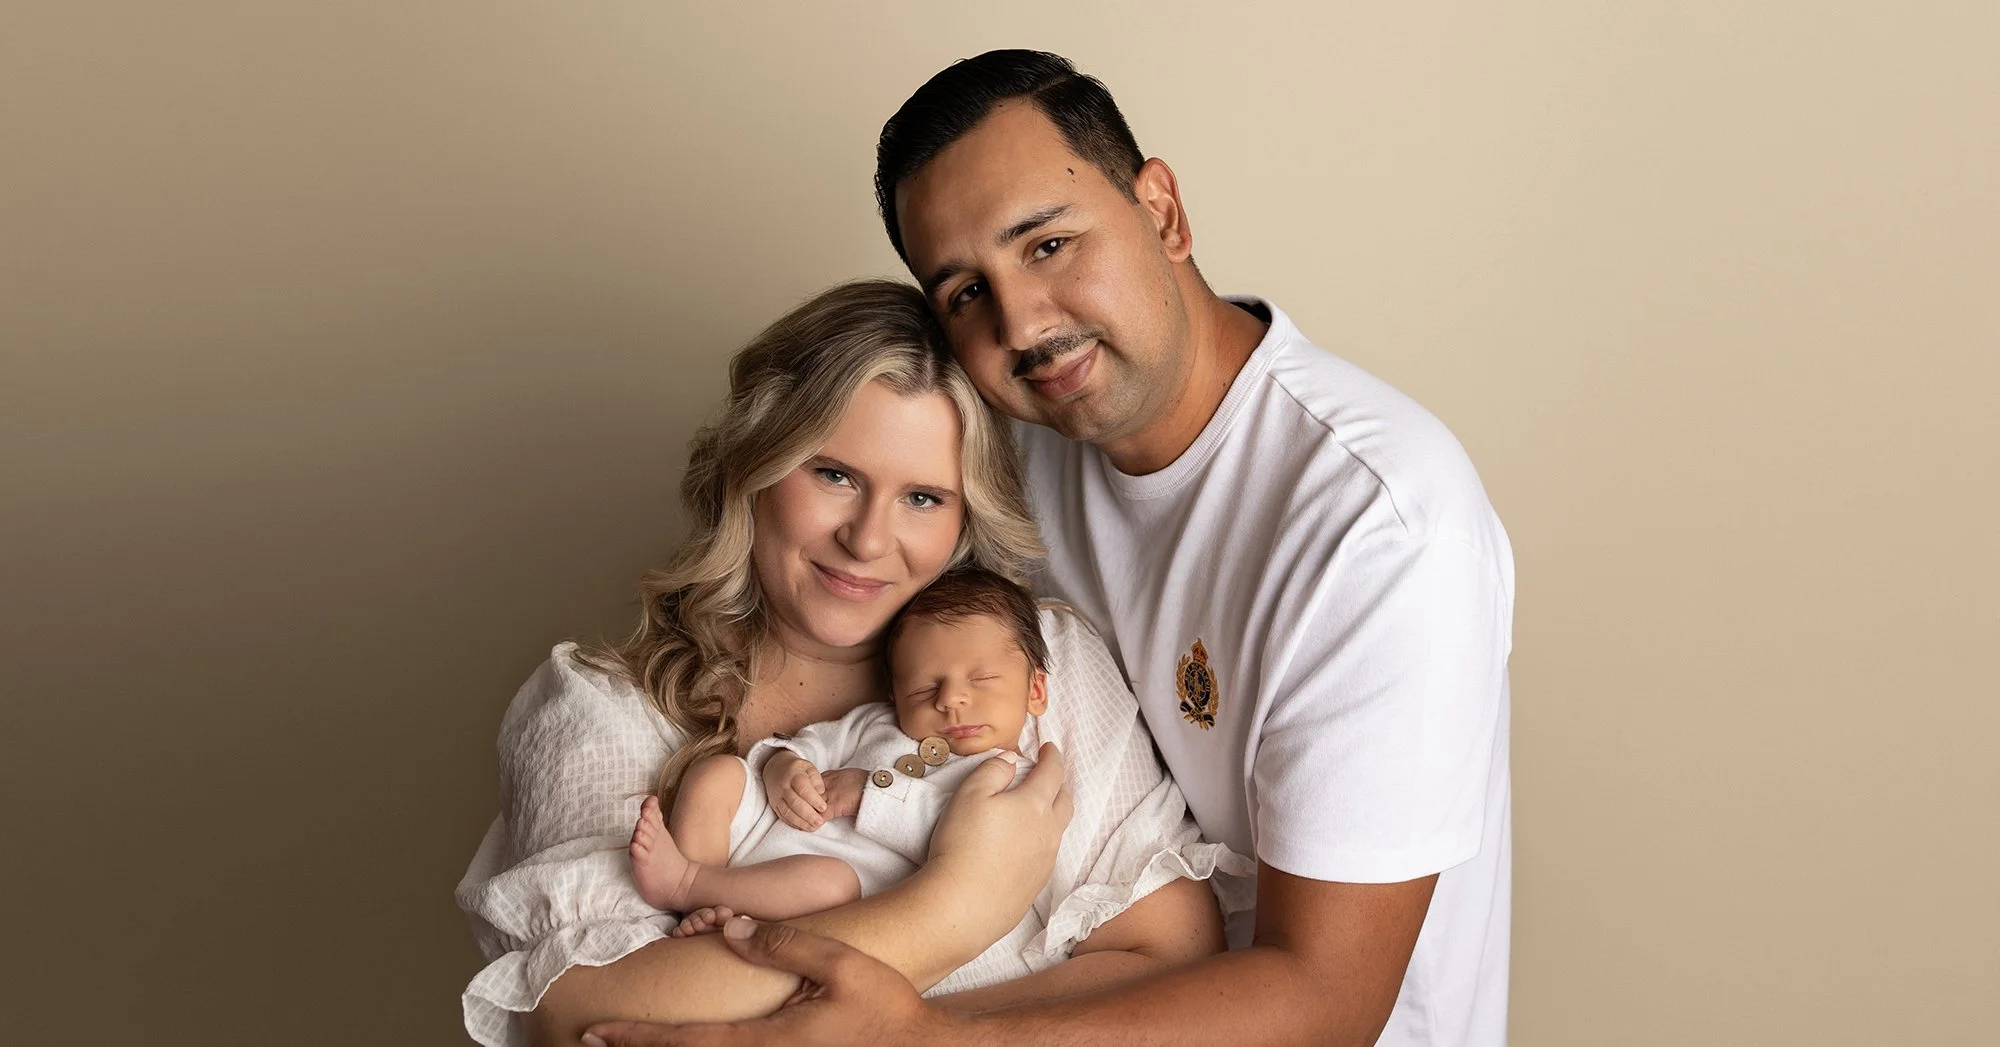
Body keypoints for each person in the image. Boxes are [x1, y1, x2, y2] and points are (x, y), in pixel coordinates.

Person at [583, 49, 1516, 1047]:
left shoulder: (1377, 522)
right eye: (964, 293)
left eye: (1049, 244)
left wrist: (913, 1036)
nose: (1024, 323)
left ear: (1163, 212)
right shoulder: (1005, 452)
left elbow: (1325, 1000)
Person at [455, 279, 1232, 1047]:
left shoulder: (1036, 660)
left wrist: (913, 1032)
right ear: (755, 468)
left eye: (923, 497)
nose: (867, 539)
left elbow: (1170, 962)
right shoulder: (601, 712)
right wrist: (957, 904)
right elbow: (580, 1021)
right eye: (835, 475)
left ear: (967, 514)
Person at [627, 566, 1247, 996]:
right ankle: (707, 902)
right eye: (925, 688)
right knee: (715, 775)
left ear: (1036, 691)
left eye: (982, 681)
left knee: (826, 880)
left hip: (848, 897)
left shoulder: (1009, 778)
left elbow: (966, 847)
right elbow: (811, 744)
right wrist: (783, 765)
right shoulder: (876, 725)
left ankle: (689, 884)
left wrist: (869, 796)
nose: (952, 700)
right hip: (770, 841)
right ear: (896, 694)